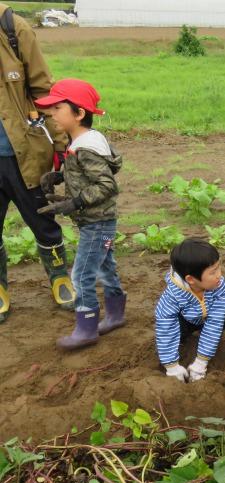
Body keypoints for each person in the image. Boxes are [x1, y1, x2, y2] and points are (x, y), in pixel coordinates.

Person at [35, 79, 126, 350]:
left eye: (58, 107)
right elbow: (91, 174)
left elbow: (107, 185)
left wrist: (73, 203)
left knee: (81, 275)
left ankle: (86, 327)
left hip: (97, 223)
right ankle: (116, 314)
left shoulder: (85, 146)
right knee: (106, 268)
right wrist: (61, 176)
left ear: (79, 113)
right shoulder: (85, 141)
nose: (52, 113)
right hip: (102, 221)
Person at [0, 4, 74, 323]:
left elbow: (44, 92)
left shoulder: (14, 30)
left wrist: (65, 147)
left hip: (23, 154)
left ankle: (59, 276)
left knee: (43, 220)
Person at [155, 238, 225, 383]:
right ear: (191, 279)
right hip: (187, 322)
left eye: (219, 267)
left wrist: (201, 362)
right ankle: (184, 342)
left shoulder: (219, 285)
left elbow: (215, 321)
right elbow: (165, 329)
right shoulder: (172, 296)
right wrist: (171, 366)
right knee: (172, 328)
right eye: (213, 272)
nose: (219, 275)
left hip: (210, 317)